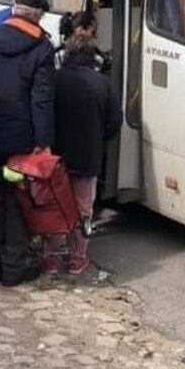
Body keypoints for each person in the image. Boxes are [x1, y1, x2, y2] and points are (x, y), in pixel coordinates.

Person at [0, 0, 56, 286]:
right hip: (22, 141)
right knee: (18, 202)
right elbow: (41, 100)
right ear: (37, 16)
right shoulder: (41, 48)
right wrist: (43, 141)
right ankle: (13, 268)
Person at [46, 34, 122, 275]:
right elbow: (114, 122)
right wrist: (98, 138)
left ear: (67, 53)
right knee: (84, 210)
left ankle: (52, 258)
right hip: (88, 157)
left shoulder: (54, 79)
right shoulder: (104, 83)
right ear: (92, 56)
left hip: (56, 157)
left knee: (54, 206)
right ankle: (78, 258)